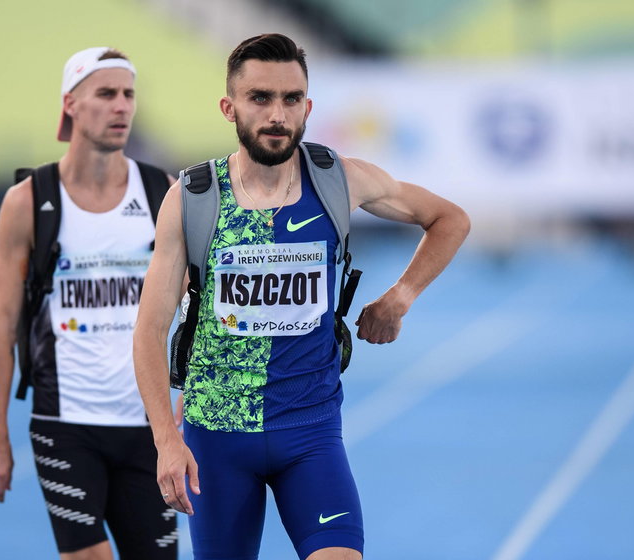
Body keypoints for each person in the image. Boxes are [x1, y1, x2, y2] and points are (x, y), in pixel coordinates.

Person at [134, 33, 471, 560]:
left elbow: (449, 218)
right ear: (230, 107)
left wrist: (399, 297)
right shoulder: (194, 199)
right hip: (218, 437)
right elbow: (150, 330)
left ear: (308, 106)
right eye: (260, 98)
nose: (277, 114)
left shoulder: (339, 180)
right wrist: (165, 442)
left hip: (310, 433)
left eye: (292, 99)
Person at [0, 47, 178, 560]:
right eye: (106, 94)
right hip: (65, 422)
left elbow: (201, 305)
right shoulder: (28, 201)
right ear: (70, 104)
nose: (122, 107)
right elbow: (0, 325)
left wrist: (184, 407)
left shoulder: (163, 194)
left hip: (148, 427)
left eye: (129, 95)